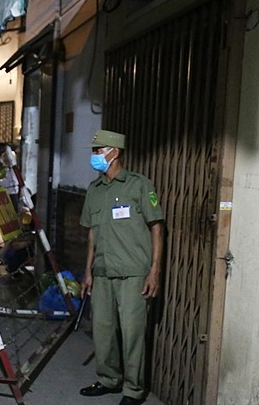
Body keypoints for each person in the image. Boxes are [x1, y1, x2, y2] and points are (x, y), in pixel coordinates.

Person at [79, 130, 164, 405]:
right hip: (103, 273)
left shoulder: (139, 185)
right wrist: (88, 271)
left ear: (114, 152)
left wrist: (154, 271)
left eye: (98, 150)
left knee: (132, 334)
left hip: (133, 274)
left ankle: (133, 390)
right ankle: (108, 380)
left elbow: (156, 228)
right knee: (103, 332)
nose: (94, 156)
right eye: (94, 151)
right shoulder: (94, 190)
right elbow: (92, 233)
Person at [0, 147, 21, 213]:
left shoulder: (12, 170)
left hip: (11, 195)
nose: (4, 161)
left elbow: (6, 183)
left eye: (6, 159)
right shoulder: (10, 170)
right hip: (11, 194)